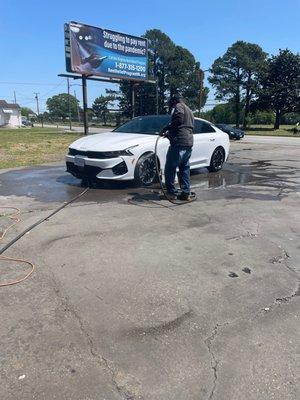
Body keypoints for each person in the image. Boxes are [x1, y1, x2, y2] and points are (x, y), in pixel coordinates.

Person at [160, 94, 195, 201]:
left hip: (178, 143)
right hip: (188, 143)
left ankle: (171, 193)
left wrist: (166, 127)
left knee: (170, 168)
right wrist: (169, 134)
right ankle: (185, 193)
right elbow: (184, 126)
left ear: (174, 101)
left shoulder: (179, 106)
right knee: (184, 168)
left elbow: (178, 120)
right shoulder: (189, 110)